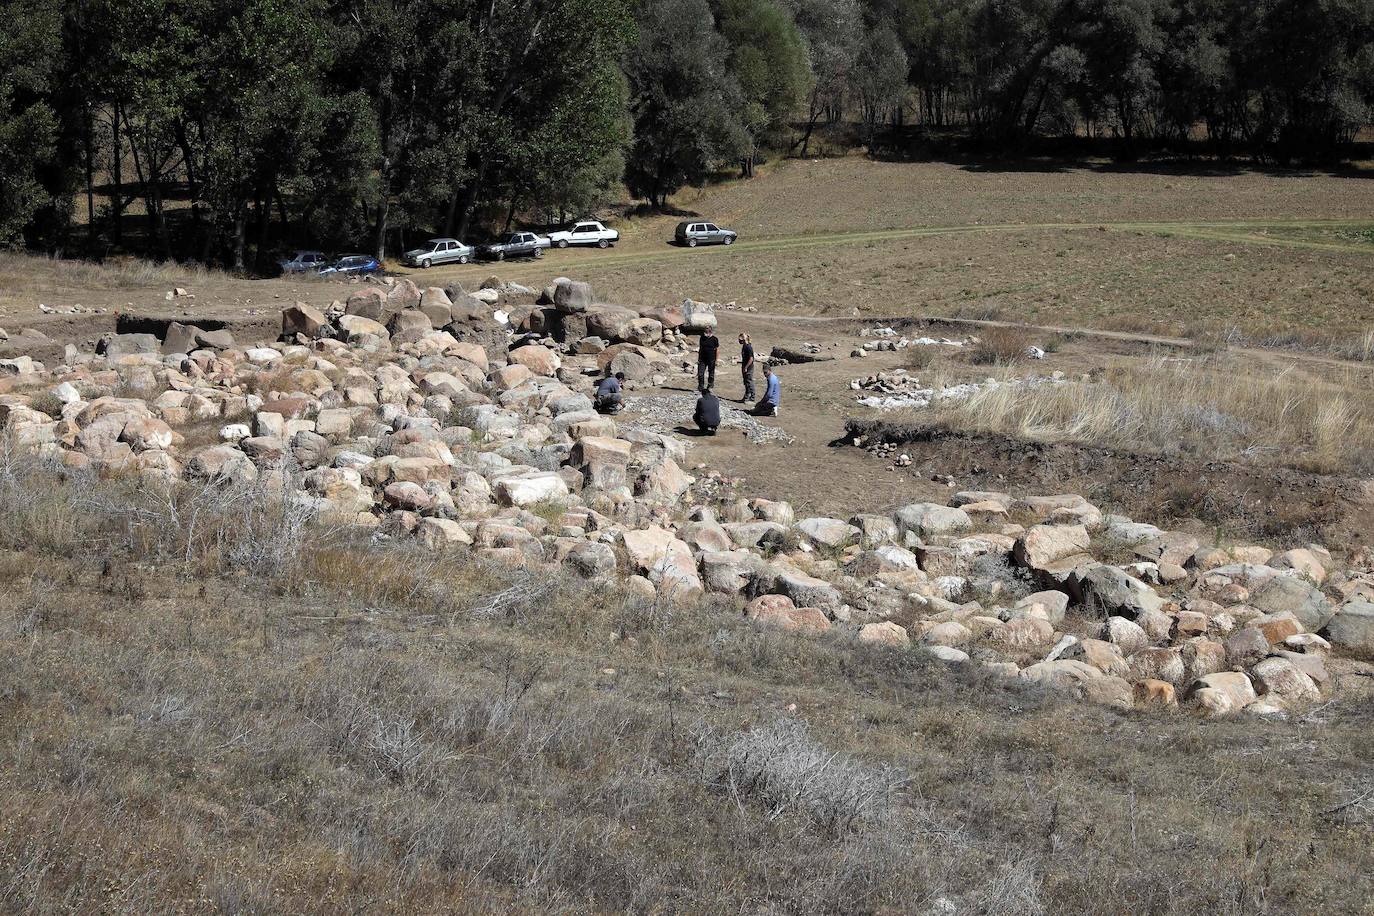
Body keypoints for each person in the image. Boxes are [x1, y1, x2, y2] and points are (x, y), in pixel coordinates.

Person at [697, 327, 719, 392]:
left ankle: (710, 386)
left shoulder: (715, 339)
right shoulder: (702, 338)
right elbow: (700, 348)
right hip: (702, 359)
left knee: (711, 374)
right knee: (700, 374)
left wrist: (716, 360)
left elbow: (717, 349)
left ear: (710, 332)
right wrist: (699, 358)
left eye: (706, 333)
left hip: (711, 359)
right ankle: (701, 387)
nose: (705, 334)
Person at [739, 333, 755, 402]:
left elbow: (751, 359)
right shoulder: (744, 346)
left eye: (740, 340)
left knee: (749, 382)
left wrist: (746, 367)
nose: (739, 341)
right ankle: (746, 397)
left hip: (749, 367)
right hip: (745, 366)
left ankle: (752, 397)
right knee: (746, 382)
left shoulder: (748, 347)